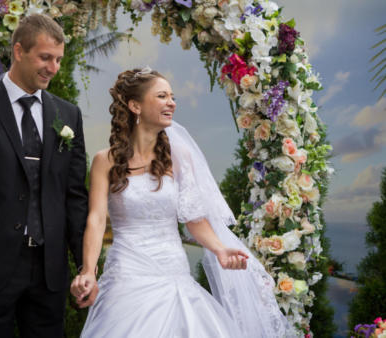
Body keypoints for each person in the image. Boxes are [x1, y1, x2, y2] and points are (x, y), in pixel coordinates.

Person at [70, 68, 292, 337]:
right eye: (162, 96)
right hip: (126, 275)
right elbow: (95, 219)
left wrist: (220, 249)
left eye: (172, 97)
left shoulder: (180, 156)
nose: (171, 103)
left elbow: (194, 217)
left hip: (173, 271)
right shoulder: (104, 160)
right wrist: (89, 271)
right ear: (135, 105)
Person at [0, 14, 90, 337]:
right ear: (19, 51)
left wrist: (85, 266)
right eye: (45, 57)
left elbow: (75, 197)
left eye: (58, 59)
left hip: (49, 270)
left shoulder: (68, 115)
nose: (53, 68)